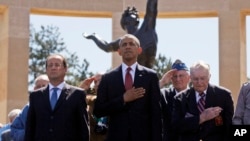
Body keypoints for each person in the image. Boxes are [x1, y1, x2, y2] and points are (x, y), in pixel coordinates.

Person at [93, 34, 162, 141]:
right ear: (119, 51)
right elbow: (98, 110)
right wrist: (123, 99)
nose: (128, 47)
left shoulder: (150, 76)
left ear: (139, 50)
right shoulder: (108, 78)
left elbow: (156, 114)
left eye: (131, 44)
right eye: (124, 44)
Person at [24, 54, 89, 141]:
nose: (53, 68)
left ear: (65, 69)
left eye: (57, 65)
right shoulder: (35, 96)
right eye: (50, 65)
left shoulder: (77, 94)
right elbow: (30, 128)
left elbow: (83, 128)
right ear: (46, 70)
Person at [83, 0, 158, 68]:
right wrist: (94, 36)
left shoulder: (147, 27)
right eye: (128, 14)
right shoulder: (123, 42)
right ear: (124, 22)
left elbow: (152, 5)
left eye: (134, 14)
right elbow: (106, 46)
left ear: (137, 20)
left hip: (148, 76)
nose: (133, 14)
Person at [171, 60, 234, 141]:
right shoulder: (180, 99)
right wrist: (201, 118)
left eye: (202, 78)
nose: (199, 82)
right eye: (195, 79)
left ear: (209, 76)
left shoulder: (224, 96)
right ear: (190, 78)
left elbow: (229, 127)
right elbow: (176, 127)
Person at [10, 74, 49, 141]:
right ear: (34, 89)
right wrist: (29, 133)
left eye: (44, 86)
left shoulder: (60, 105)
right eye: (38, 86)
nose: (41, 88)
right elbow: (14, 130)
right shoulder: (28, 108)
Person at [159, 59, 190, 141]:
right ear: (171, 79)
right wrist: (162, 82)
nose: (178, 79)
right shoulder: (164, 94)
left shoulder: (195, 95)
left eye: (181, 76)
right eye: (175, 76)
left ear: (188, 78)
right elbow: (146, 97)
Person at [79, 72, 108, 141]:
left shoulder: (116, 102)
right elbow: (72, 105)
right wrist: (81, 89)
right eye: (95, 82)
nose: (97, 84)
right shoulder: (89, 101)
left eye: (101, 81)